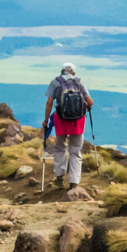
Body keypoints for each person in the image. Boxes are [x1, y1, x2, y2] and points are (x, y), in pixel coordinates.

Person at [42, 62, 94, 190]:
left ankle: (59, 178)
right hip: (78, 121)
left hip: (61, 119)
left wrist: (46, 120)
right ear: (73, 72)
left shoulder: (55, 82)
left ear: (62, 71)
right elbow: (90, 102)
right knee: (75, 151)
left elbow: (49, 102)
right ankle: (74, 182)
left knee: (60, 147)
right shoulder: (79, 82)